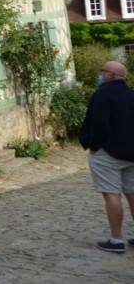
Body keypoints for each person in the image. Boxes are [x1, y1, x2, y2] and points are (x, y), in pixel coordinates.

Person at [79, 60, 134, 254]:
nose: (101, 74)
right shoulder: (131, 94)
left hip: (108, 152)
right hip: (131, 152)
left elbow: (99, 123)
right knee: (132, 193)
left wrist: (92, 145)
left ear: (110, 75)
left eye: (103, 71)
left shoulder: (103, 93)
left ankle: (116, 239)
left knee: (112, 194)